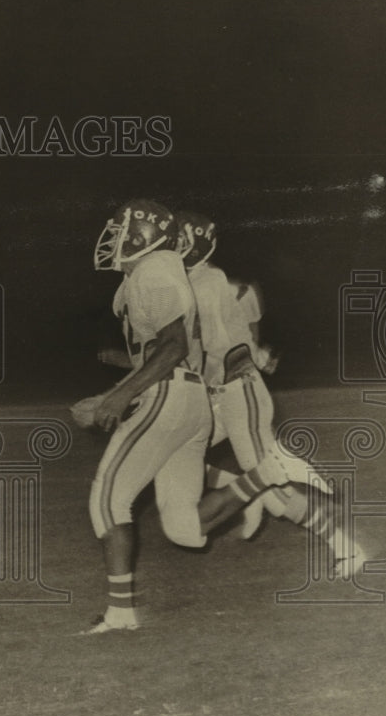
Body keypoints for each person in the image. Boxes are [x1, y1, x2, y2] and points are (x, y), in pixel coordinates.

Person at [71, 199, 291, 634]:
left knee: (108, 499)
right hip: (189, 401)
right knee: (185, 529)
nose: (112, 236)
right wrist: (111, 392)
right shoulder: (157, 272)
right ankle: (264, 474)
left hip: (169, 396)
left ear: (142, 237)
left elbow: (171, 348)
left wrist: (116, 401)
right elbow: (163, 349)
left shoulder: (153, 271)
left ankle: (120, 615)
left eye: (120, 229)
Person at [176, 210, 365, 577]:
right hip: (220, 393)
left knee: (274, 491)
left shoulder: (209, 282)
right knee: (171, 455)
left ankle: (346, 547)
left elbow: (218, 349)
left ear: (193, 244)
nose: (170, 248)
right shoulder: (195, 283)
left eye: (177, 241)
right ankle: (247, 491)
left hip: (236, 393)